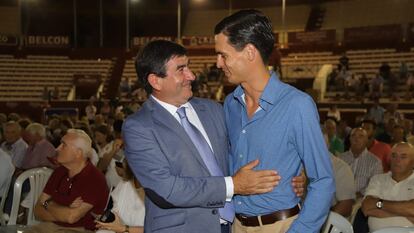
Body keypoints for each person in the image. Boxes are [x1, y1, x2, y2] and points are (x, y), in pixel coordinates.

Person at [122, 40, 304, 233]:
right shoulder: (138, 127)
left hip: (232, 226)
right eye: (181, 69)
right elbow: (167, 189)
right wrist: (233, 185)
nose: (191, 76)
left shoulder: (213, 109)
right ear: (155, 81)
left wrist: (292, 174)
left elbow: (243, 152)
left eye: (189, 67)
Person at [215, 9, 334, 233]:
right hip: (236, 225)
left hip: (281, 226)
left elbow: (324, 180)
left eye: (224, 55)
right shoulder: (231, 103)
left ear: (250, 52)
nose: (218, 63)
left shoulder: (297, 104)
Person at [25, 129, 109, 233]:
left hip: (80, 230)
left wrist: (48, 204)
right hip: (51, 226)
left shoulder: (94, 178)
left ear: (78, 153)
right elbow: (37, 210)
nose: (57, 148)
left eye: (63, 145)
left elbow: (71, 218)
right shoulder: (59, 171)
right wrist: (63, 212)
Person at [361, 142, 414, 232]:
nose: (397, 160)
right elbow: (367, 207)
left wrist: (378, 204)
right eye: (394, 155)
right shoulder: (377, 179)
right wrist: (406, 213)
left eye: (403, 157)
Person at [95, 159, 145, 233]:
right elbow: (116, 213)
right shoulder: (125, 183)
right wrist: (106, 221)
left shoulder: (160, 194)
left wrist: (124, 229)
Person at [338, 128, 383, 197]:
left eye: (361, 136)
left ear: (366, 140)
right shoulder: (340, 158)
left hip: (362, 200)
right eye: (353, 136)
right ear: (350, 139)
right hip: (339, 197)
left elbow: (375, 185)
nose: (357, 139)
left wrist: (359, 194)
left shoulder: (375, 162)